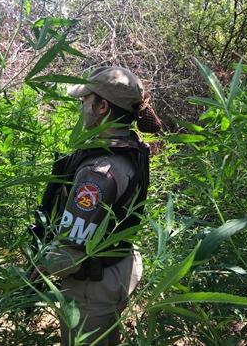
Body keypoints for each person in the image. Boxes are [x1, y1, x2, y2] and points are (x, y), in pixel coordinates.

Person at [30, 66, 161, 345]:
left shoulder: (98, 172)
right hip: (117, 269)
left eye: (85, 100)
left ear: (102, 106)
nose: (81, 107)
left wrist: (34, 274)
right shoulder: (132, 148)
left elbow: (71, 249)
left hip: (92, 289)